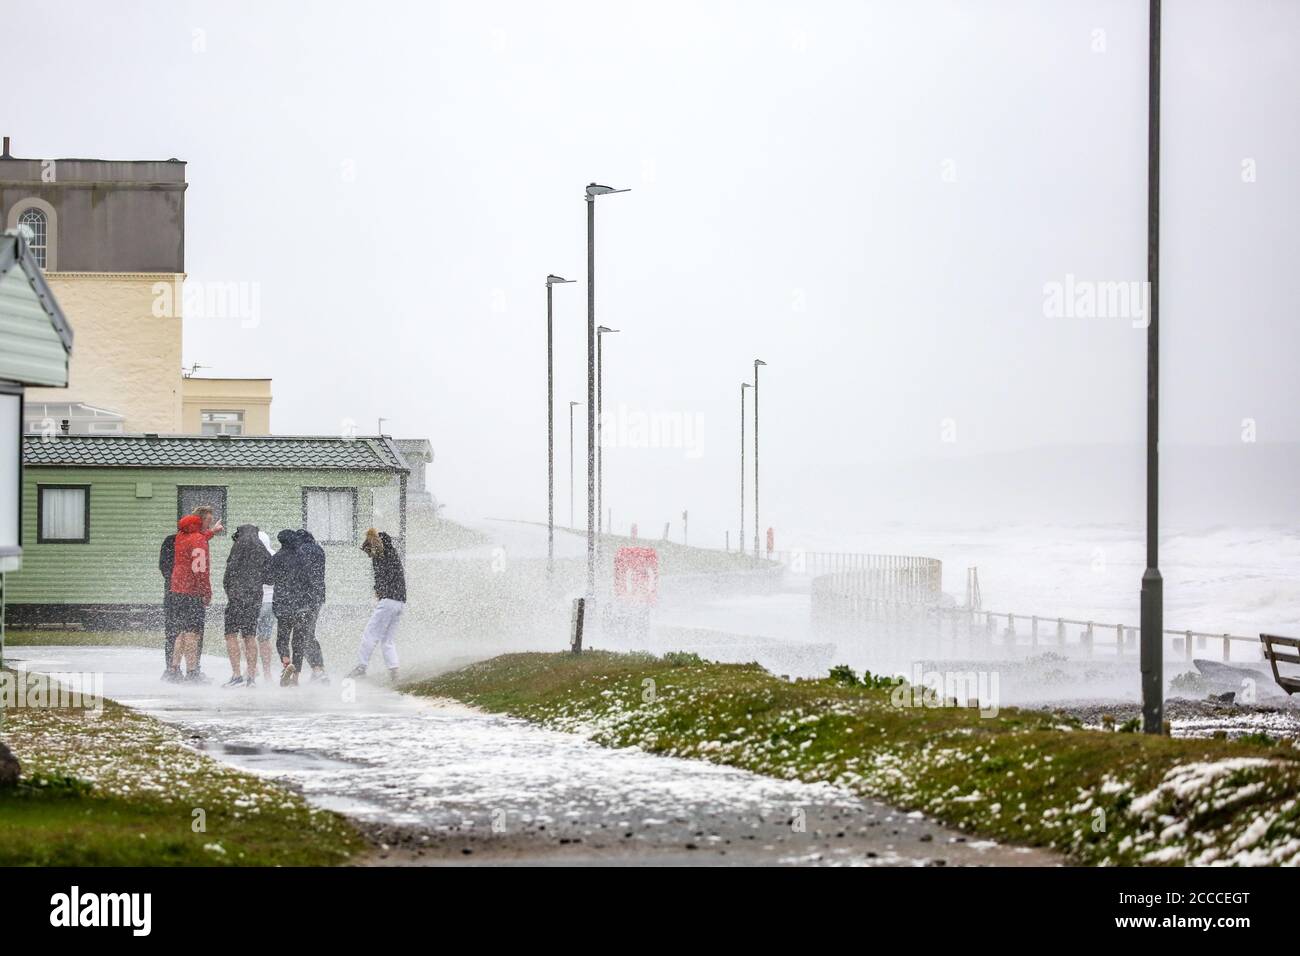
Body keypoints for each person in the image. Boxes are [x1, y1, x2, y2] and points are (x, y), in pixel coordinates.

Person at [347, 528, 406, 685]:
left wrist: (379, 592)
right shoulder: (392, 553)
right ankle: (394, 673)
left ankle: (361, 667)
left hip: (387, 602)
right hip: (400, 602)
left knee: (370, 634)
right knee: (387, 640)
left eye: (368, 552)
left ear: (371, 546)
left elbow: (380, 579)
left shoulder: (379, 556)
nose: (368, 555)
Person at [168, 509, 222, 681]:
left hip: (177, 590)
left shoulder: (180, 536)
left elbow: (197, 540)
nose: (209, 524)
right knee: (193, 633)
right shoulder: (198, 539)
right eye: (208, 521)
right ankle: (192, 672)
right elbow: (200, 569)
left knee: (181, 632)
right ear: (199, 521)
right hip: (192, 592)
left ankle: (174, 670)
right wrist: (206, 591)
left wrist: (211, 533)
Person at [221, 524, 270, 687]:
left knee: (231, 634)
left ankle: (236, 675)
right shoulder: (261, 548)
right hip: (254, 597)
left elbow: (229, 572)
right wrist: (256, 581)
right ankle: (251, 677)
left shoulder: (238, 545)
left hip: (236, 596)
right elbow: (270, 577)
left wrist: (229, 591)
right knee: (250, 635)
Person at [295, 529, 329, 684]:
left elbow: (300, 575)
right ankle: (319, 670)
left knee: (303, 636)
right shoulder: (319, 550)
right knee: (309, 633)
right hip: (318, 598)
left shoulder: (300, 550)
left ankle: (318, 671)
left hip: (304, 599)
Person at [254, 530, 277, 681]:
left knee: (248, 637)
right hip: (271, 602)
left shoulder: (252, 555)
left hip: (255, 601)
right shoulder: (275, 555)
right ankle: (267, 673)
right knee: (265, 638)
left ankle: (252, 668)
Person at [158, 529, 179, 680]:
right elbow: (164, 567)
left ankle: (173, 668)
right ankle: (173, 668)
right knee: (183, 632)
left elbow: (163, 567)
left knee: (174, 632)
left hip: (172, 592)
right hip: (177, 593)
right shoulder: (172, 540)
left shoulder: (170, 540)